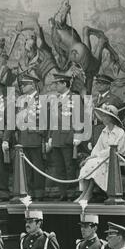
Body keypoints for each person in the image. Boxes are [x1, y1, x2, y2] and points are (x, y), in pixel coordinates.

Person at [3, 74, 46, 201]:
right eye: (21, 85)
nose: (22, 87)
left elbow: (47, 120)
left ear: (33, 85)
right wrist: (6, 138)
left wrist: (45, 135)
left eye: (25, 85)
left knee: (37, 167)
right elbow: (12, 120)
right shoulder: (20, 100)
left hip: (36, 138)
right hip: (22, 139)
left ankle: (39, 193)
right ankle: (27, 192)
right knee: (24, 168)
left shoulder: (41, 100)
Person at [75, 104, 125, 202]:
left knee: (96, 163)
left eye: (105, 116)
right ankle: (84, 193)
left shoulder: (120, 132)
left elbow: (117, 149)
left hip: (116, 158)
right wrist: (91, 157)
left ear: (111, 118)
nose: (102, 118)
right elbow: (97, 148)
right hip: (102, 157)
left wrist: (98, 156)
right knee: (90, 163)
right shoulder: (104, 131)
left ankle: (89, 193)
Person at [47, 73, 80, 201]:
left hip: (68, 137)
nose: (55, 86)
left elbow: (79, 118)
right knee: (59, 167)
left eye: (58, 83)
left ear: (65, 84)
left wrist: (77, 134)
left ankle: (72, 192)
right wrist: (50, 136)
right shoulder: (56, 99)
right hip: (56, 137)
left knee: (69, 166)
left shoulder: (74, 98)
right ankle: (63, 193)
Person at [90, 74, 122, 148]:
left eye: (102, 83)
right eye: (97, 83)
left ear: (108, 86)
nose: (99, 85)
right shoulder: (95, 99)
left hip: (106, 130)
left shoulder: (114, 99)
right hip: (94, 129)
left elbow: (115, 117)